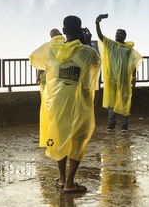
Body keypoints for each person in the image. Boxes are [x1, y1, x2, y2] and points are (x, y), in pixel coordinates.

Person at [30, 15, 101, 193]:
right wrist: (86, 42)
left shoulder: (53, 49)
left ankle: (62, 178)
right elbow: (95, 68)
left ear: (63, 31)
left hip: (56, 101)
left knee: (59, 137)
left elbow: (35, 58)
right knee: (78, 139)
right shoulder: (88, 52)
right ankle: (70, 183)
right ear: (81, 30)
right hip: (78, 103)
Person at [95, 15, 142, 131]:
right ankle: (111, 123)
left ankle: (124, 125)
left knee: (125, 100)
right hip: (111, 78)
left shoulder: (128, 49)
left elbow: (133, 63)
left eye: (120, 34)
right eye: (116, 34)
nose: (117, 36)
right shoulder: (111, 45)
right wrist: (97, 24)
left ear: (124, 36)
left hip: (124, 79)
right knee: (111, 101)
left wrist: (134, 76)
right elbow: (101, 37)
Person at [38, 29, 65, 148]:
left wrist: (38, 76)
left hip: (47, 80)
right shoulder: (63, 45)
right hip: (58, 80)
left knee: (47, 105)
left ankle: (50, 134)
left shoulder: (49, 47)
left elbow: (41, 64)